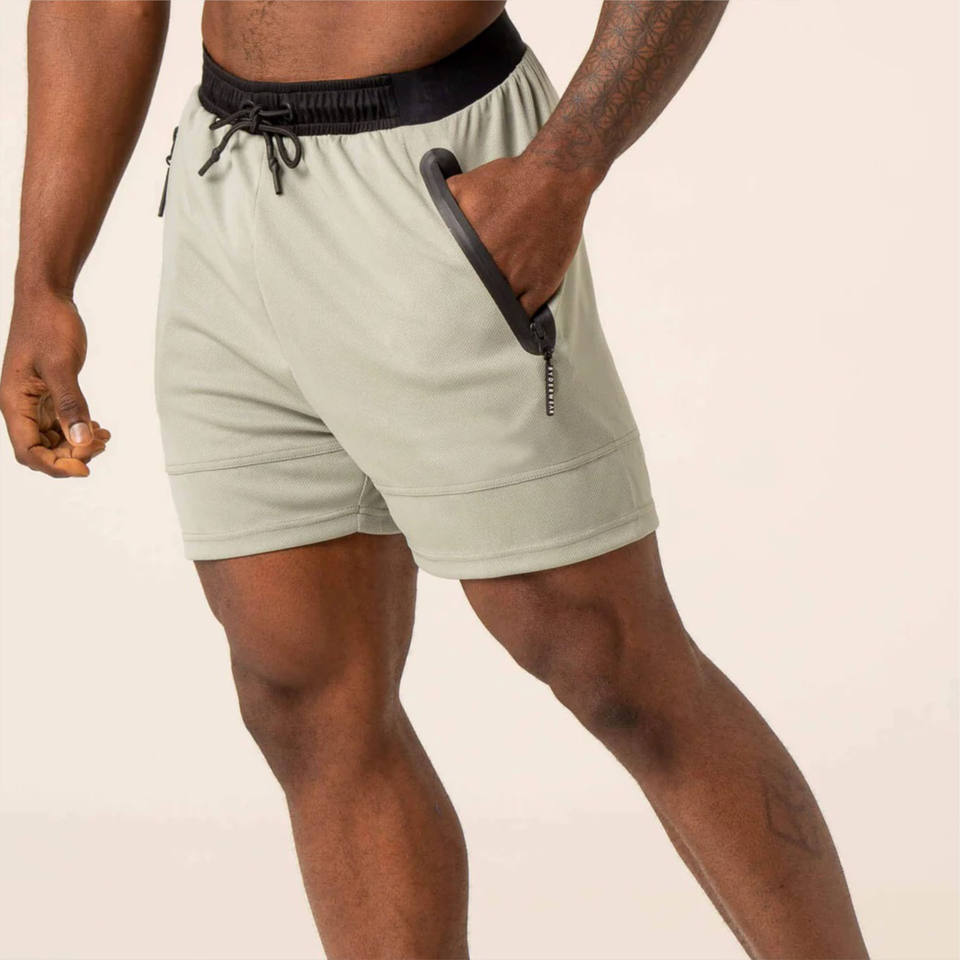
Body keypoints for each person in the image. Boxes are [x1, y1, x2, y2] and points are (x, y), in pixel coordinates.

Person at [1, 2, 869, 956]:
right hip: (226, 181)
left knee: (604, 655)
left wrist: (567, 167)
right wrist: (44, 277)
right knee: (300, 692)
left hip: (436, 173)